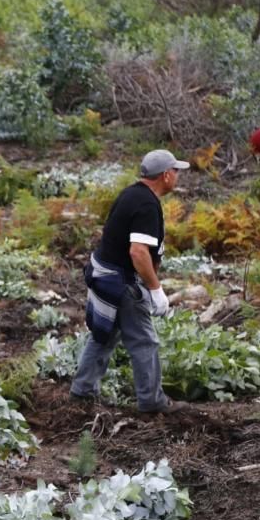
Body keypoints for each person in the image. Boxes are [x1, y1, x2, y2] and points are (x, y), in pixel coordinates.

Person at [70, 149, 190, 414]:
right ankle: (152, 402)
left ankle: (82, 391)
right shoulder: (147, 205)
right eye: (176, 171)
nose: (178, 176)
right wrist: (155, 290)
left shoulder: (131, 194)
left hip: (105, 275)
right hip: (119, 282)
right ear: (166, 175)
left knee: (105, 333)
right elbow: (138, 252)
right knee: (144, 341)